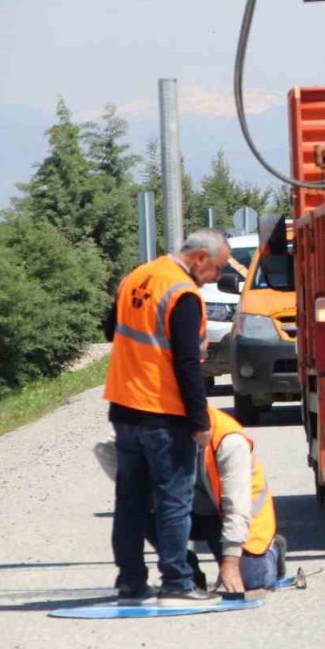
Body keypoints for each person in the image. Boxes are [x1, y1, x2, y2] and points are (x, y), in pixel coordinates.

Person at [103, 230, 229, 606]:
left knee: (130, 502)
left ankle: (131, 584)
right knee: (174, 500)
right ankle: (177, 582)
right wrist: (200, 421)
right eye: (218, 269)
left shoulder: (138, 276)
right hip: (163, 412)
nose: (216, 278)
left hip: (125, 408)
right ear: (200, 258)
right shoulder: (183, 293)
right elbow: (188, 364)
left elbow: (111, 330)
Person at [94, 405, 286, 594]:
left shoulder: (229, 441)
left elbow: (236, 507)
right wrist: (145, 491)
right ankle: (186, 569)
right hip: (180, 514)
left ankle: (273, 549)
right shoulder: (157, 431)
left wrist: (230, 561)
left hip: (226, 517)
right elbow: (105, 448)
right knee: (139, 504)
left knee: (251, 581)